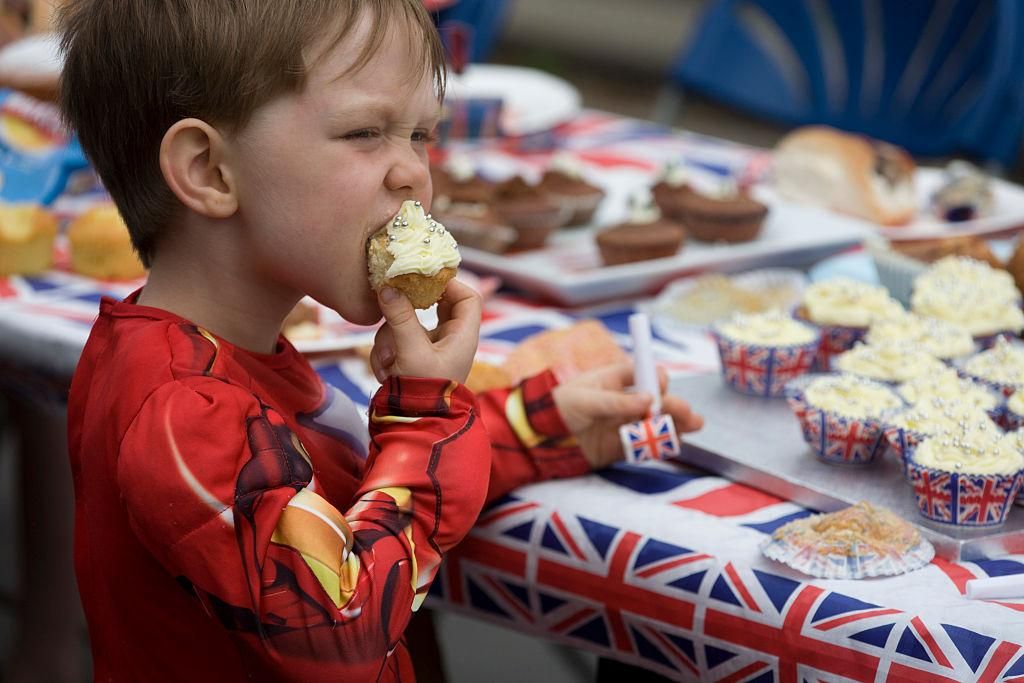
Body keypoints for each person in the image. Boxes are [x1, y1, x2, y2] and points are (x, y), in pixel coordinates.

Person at [58, 1, 703, 681]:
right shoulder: (179, 407)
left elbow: (353, 486)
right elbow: (340, 624)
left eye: (421, 134)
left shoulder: (233, 352)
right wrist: (426, 413)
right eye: (366, 132)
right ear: (210, 171)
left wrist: (532, 427)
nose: (413, 174)